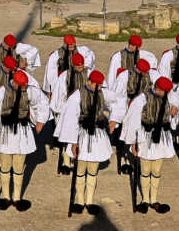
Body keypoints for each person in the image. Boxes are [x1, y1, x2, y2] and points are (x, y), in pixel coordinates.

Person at [0, 69, 50, 211]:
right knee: (5, 167)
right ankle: (6, 197)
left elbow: (43, 102)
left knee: (19, 168)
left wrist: (41, 121)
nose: (25, 88)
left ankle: (17, 198)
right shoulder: (0, 93)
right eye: (23, 86)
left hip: (22, 132)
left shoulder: (29, 91)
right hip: (4, 133)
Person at [56, 69, 115, 215]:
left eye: (101, 85)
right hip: (82, 135)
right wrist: (74, 143)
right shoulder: (76, 97)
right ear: (89, 82)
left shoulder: (102, 92)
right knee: (80, 171)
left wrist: (114, 119)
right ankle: (80, 201)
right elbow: (71, 121)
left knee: (93, 171)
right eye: (97, 85)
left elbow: (118, 101)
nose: (100, 88)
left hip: (98, 136)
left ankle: (89, 201)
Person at [121, 76, 179, 214]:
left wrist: (175, 106)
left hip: (161, 138)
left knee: (157, 170)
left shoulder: (167, 96)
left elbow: (176, 98)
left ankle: (154, 199)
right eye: (164, 92)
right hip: (145, 137)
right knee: (145, 170)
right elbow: (133, 121)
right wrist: (133, 142)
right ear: (157, 89)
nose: (167, 94)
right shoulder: (141, 99)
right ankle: (145, 199)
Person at [107, 57, 155, 174]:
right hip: (126, 106)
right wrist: (116, 117)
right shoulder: (124, 76)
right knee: (127, 131)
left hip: (144, 106)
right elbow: (118, 97)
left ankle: (140, 156)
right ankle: (124, 159)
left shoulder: (150, 75)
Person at [47, 52, 92, 174]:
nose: (80, 67)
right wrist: (62, 111)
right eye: (78, 65)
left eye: (82, 65)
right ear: (73, 65)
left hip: (85, 109)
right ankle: (66, 160)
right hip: (68, 109)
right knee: (69, 133)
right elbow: (59, 95)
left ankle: (80, 158)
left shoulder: (89, 74)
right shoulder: (64, 76)